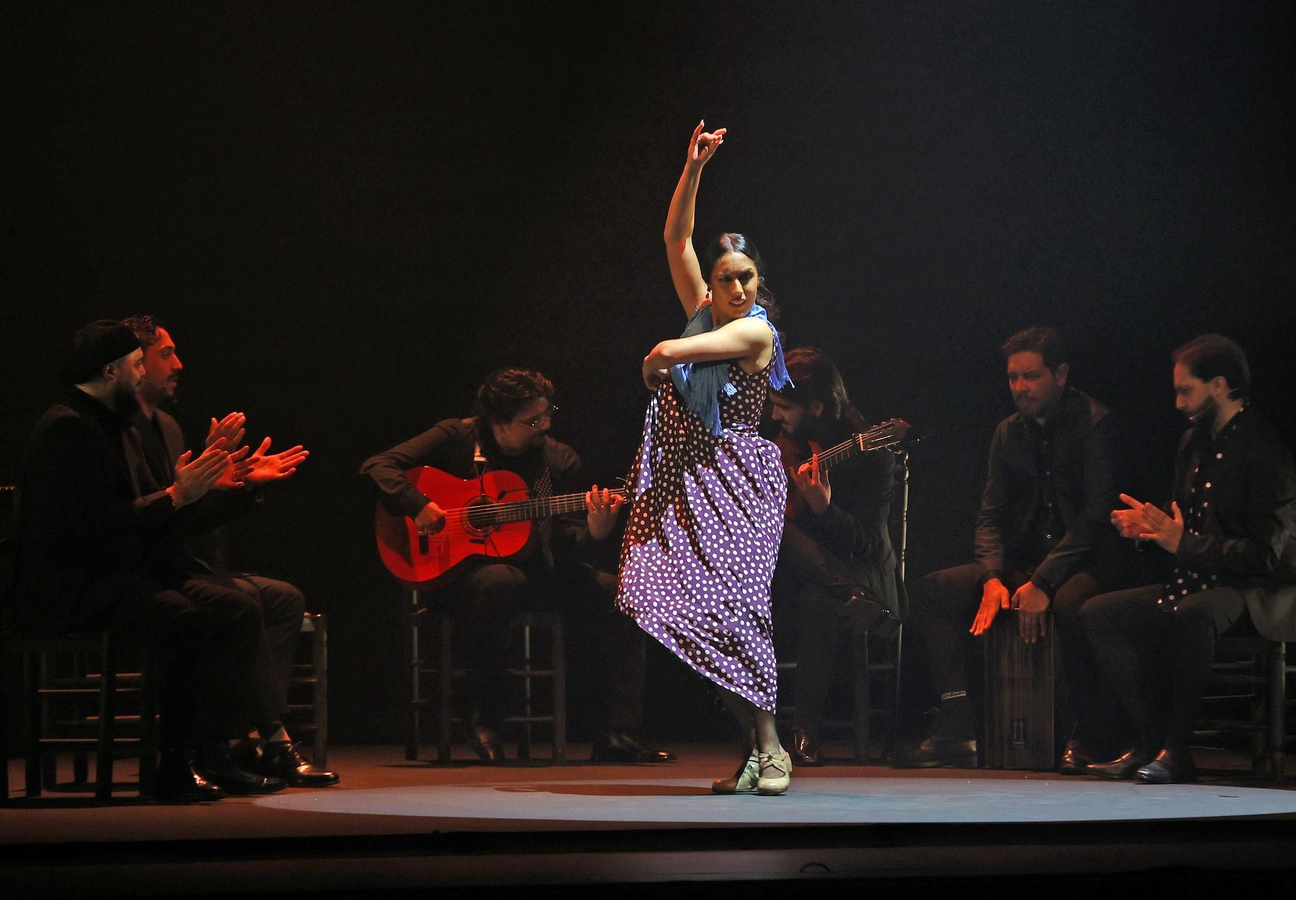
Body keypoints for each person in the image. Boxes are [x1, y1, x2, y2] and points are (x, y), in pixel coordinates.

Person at [14, 320, 273, 800]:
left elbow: (146, 513)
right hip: (76, 587)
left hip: (115, 574)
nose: (141, 377)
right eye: (136, 366)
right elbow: (99, 527)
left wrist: (200, 488)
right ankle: (173, 766)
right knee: (182, 617)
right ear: (111, 370)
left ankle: (211, 756)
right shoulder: (69, 428)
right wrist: (176, 494)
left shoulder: (110, 425)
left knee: (233, 608)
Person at [361, 367, 670, 764]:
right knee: (500, 581)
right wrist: (417, 504)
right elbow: (378, 466)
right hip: (463, 579)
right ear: (497, 421)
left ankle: (616, 731)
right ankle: (480, 717)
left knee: (622, 592)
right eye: (533, 421)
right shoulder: (457, 437)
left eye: (548, 414)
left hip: (541, 572)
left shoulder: (556, 459)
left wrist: (595, 530)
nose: (545, 425)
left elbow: (567, 537)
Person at [617, 121, 794, 795]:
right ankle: (753, 746)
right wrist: (693, 169)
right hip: (686, 480)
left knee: (739, 608)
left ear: (758, 283)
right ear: (713, 286)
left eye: (748, 277)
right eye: (726, 279)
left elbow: (668, 355)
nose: (739, 287)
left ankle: (773, 746)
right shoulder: (707, 314)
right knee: (682, 607)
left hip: (740, 482)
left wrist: (658, 359)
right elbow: (674, 240)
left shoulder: (754, 332)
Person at [1081, 334, 1296, 784]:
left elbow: (1266, 556)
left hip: (1261, 591)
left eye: (1186, 390)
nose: (1177, 401)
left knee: (1190, 614)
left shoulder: (1264, 451)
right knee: (1100, 613)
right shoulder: (1193, 442)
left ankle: (1178, 749)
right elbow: (1182, 526)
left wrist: (1180, 543)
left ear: (1221, 385)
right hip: (1204, 580)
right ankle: (1152, 744)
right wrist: (1147, 530)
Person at [895, 327, 1125, 770]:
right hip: (1025, 565)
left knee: (1075, 604)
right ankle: (958, 721)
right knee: (931, 592)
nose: (1020, 388)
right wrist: (991, 578)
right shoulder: (1007, 431)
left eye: (1031, 377)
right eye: (1013, 378)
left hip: (1085, 561)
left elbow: (1094, 518)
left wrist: (1043, 582)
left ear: (1060, 374)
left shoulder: (1096, 423)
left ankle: (1089, 734)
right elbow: (989, 515)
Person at [122, 315, 337, 788]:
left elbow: (189, 520)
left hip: (175, 562)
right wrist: (193, 487)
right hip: (142, 572)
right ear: (135, 363)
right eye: (166, 354)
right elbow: (142, 518)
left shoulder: (170, 428)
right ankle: (262, 741)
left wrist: (233, 485)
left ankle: (251, 737)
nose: (178, 364)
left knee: (282, 598)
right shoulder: (121, 430)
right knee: (235, 604)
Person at [767, 347, 900, 766]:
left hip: (862, 575)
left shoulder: (870, 455)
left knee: (816, 599)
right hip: (795, 576)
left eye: (784, 408)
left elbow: (872, 546)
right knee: (773, 529)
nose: (775, 417)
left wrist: (825, 510)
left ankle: (802, 732)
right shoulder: (788, 446)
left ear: (818, 407)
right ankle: (847, 595)